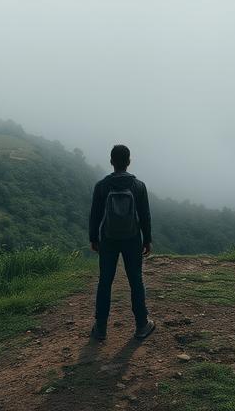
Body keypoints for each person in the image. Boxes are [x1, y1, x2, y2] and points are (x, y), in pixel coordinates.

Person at [88, 143, 155, 341]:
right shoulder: (138, 186)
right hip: (132, 238)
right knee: (136, 281)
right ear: (128, 162)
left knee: (105, 282)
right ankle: (142, 325)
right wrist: (147, 239)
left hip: (108, 239)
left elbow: (95, 215)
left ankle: (100, 329)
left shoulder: (102, 186)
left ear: (111, 162)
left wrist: (94, 238)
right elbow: (145, 215)